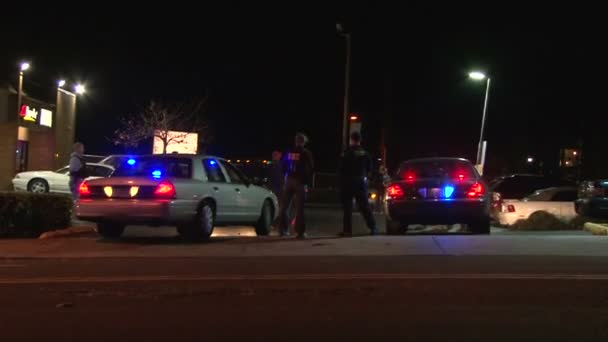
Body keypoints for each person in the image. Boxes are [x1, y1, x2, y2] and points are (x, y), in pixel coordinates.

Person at [339, 131, 378, 236]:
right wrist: (367, 179)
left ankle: (347, 231)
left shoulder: (346, 152)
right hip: (361, 182)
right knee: (365, 205)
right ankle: (373, 228)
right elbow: (370, 169)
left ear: (351, 140)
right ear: (360, 140)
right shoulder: (365, 153)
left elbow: (341, 168)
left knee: (347, 207)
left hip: (348, 182)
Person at [278, 133, 314, 239]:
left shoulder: (289, 152)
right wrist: (306, 182)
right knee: (300, 208)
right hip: (300, 182)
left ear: (296, 141)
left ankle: (282, 230)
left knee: (284, 207)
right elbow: (310, 168)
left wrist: (286, 175)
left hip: (288, 180)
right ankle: (300, 232)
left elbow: (282, 165)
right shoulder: (306, 153)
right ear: (303, 142)